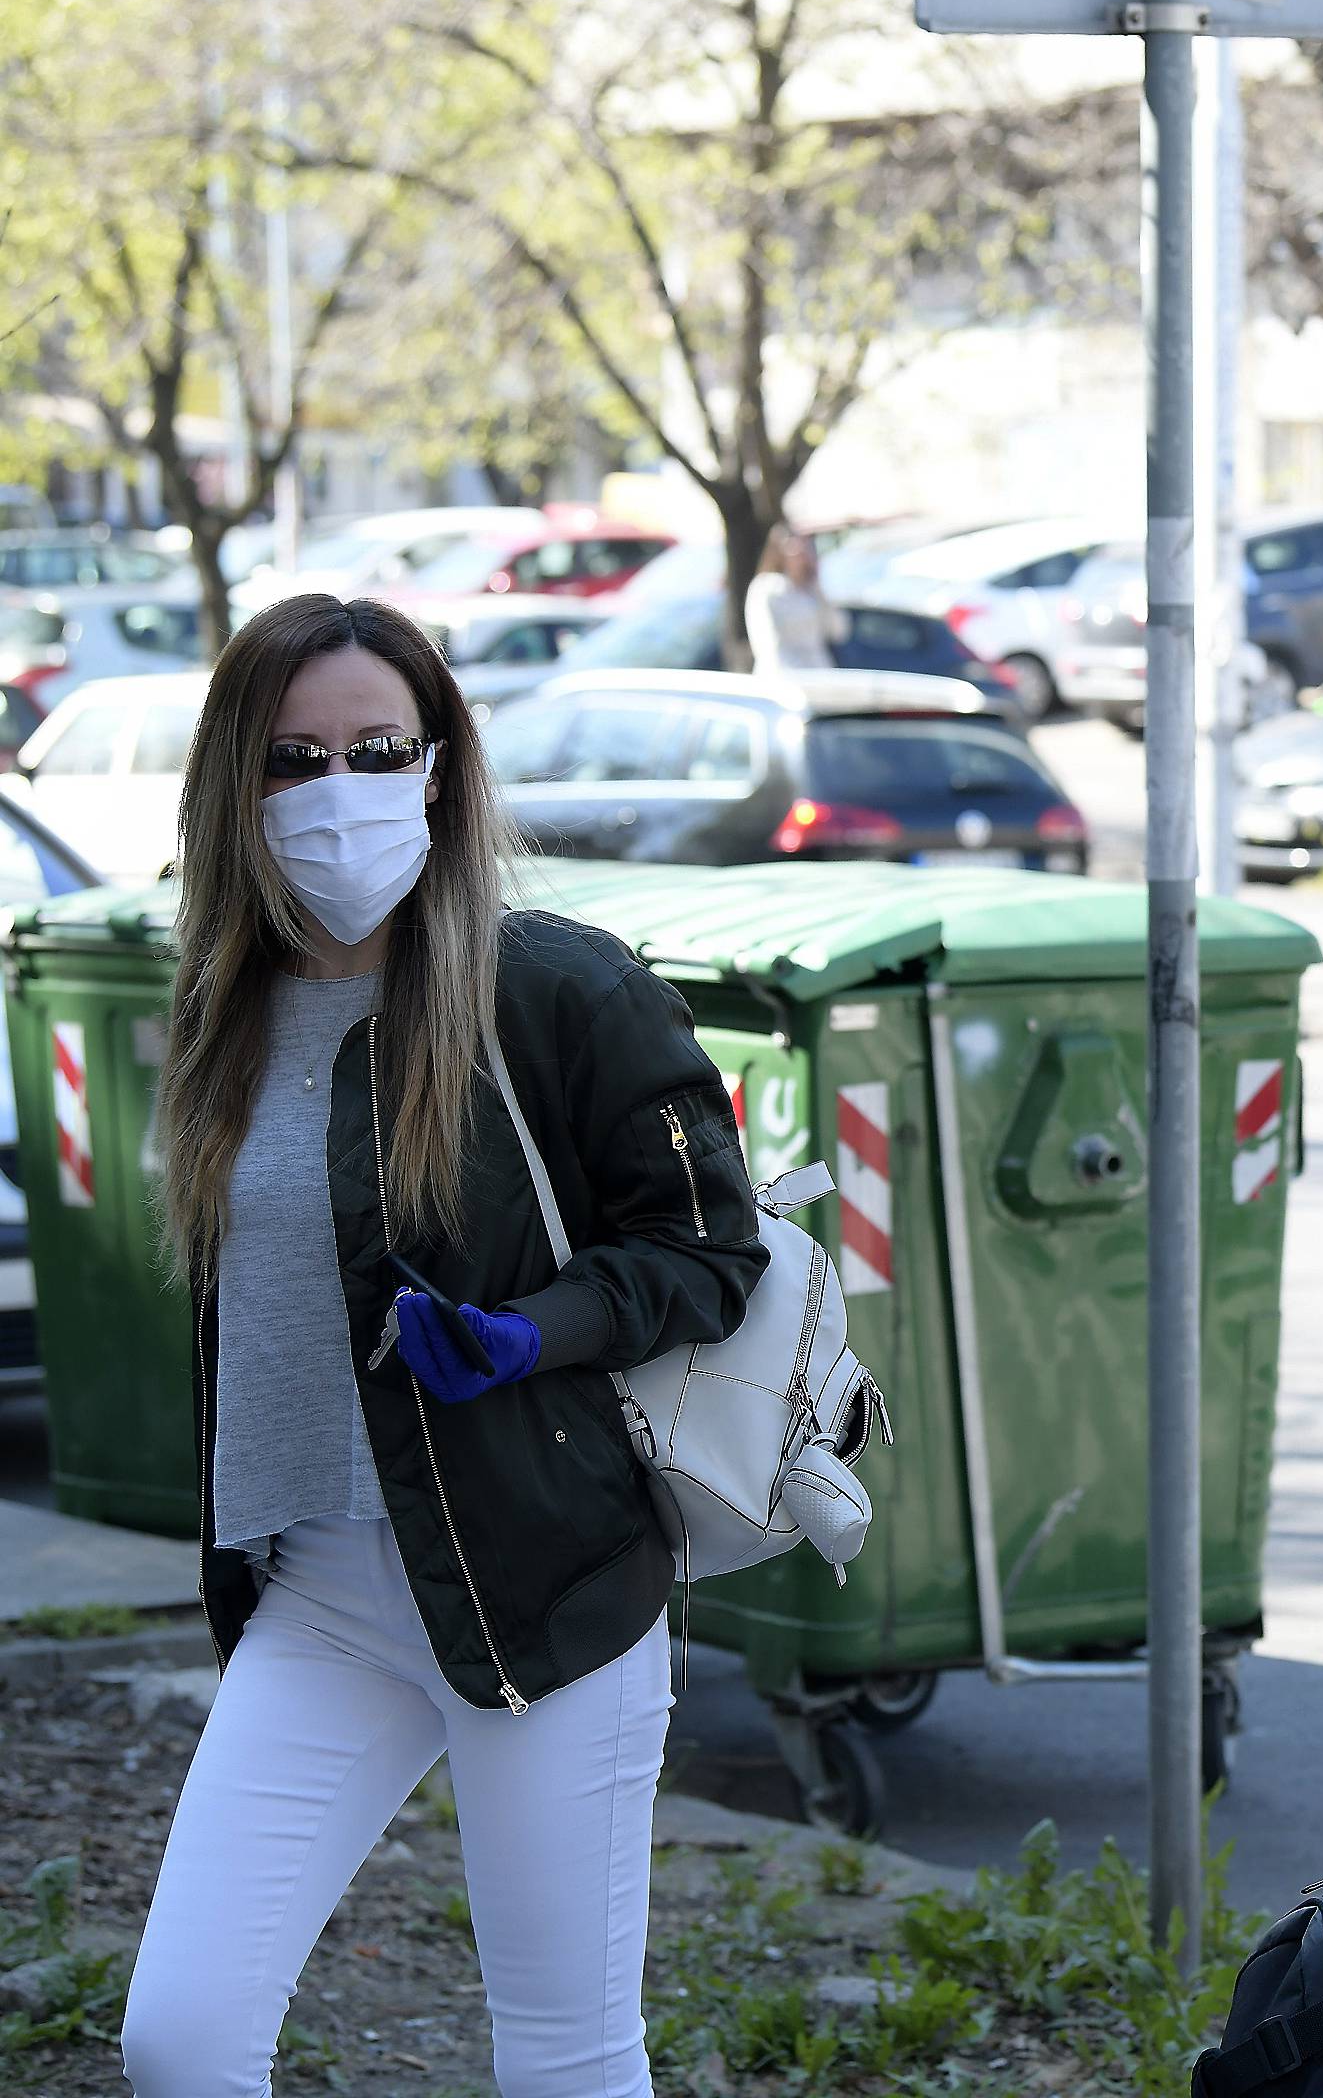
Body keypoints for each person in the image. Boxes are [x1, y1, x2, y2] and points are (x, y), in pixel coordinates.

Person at [119, 593, 768, 2097]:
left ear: (438, 766)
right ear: (236, 784)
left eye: (374, 747)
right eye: (290, 759)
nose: (333, 790)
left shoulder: (556, 985)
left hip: (543, 1587)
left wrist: (527, 1333)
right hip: (322, 1597)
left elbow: (708, 1247)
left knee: (564, 2058)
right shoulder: (226, 1005)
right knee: (182, 2040)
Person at [744, 525, 846, 672]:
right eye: (794, 546)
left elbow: (838, 631)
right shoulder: (767, 588)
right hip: (782, 676)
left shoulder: (812, 589)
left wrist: (818, 585)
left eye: (806, 545)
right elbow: (768, 642)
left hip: (819, 673)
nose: (801, 552)